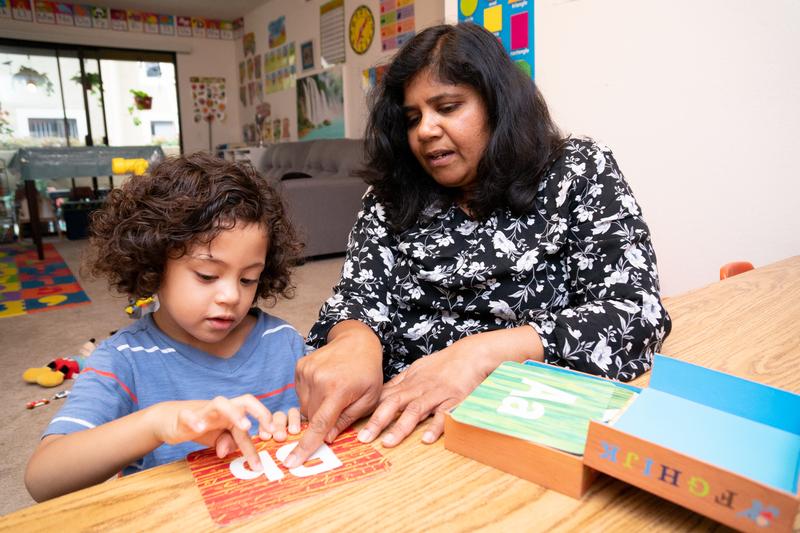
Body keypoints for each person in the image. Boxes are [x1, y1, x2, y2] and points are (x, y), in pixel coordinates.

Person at [283, 22, 672, 469]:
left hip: (526, 429)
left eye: (447, 107)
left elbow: (635, 313)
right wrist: (355, 339)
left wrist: (479, 354)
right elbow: (356, 300)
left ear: (497, 105)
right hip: (401, 428)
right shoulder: (389, 198)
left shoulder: (579, 170)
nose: (425, 130)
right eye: (412, 118)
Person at [25, 153, 305, 502]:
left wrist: (304, 421)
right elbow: (42, 478)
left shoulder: (284, 342)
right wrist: (156, 423)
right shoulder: (123, 360)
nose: (232, 296)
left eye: (248, 278)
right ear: (154, 265)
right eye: (207, 275)